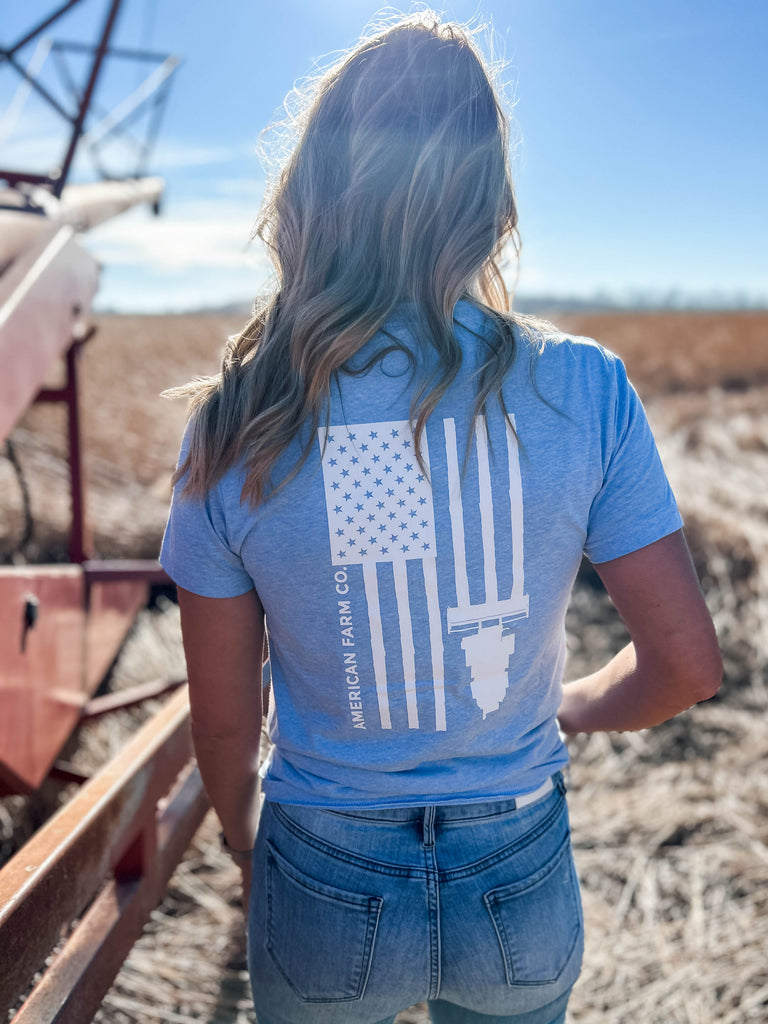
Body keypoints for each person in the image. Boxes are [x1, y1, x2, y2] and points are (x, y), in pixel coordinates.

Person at [159, 13, 721, 1024]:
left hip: (322, 857)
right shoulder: (584, 388)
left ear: (312, 194)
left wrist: (255, 849)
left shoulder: (237, 421)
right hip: (518, 863)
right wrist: (572, 706)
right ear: (489, 200)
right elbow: (684, 665)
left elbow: (227, 722)